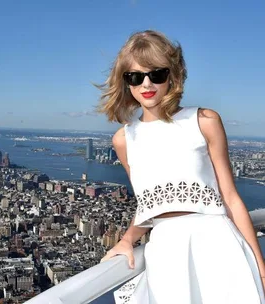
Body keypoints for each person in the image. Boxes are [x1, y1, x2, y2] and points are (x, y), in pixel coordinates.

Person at [97, 30, 265, 304]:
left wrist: (260, 265)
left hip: (218, 242)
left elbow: (231, 198)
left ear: (172, 75)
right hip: (166, 252)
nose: (146, 84)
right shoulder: (124, 139)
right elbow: (148, 204)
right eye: (135, 77)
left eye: (157, 74)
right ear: (125, 83)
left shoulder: (204, 120)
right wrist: (127, 239)